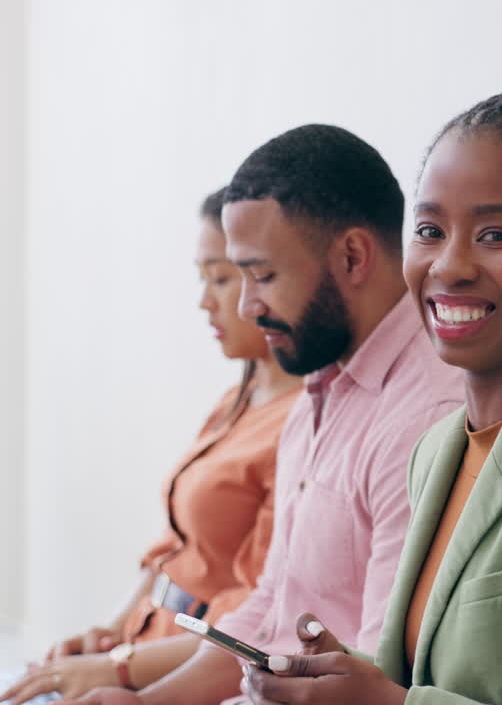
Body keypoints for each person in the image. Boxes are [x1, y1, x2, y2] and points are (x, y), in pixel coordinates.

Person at [240, 89, 502, 705]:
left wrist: (387, 704)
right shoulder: (437, 450)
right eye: (430, 230)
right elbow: (431, 677)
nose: (450, 265)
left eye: (495, 234)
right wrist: (341, 675)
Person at [66, 124, 464, 705]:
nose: (248, 305)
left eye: (263, 275)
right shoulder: (318, 394)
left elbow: (380, 675)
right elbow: (268, 611)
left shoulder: (427, 417)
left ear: (352, 257)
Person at [1, 188, 301, 704]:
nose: (205, 301)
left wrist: (117, 669)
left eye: (221, 278)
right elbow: (173, 549)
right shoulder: (238, 398)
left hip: (185, 677)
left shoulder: (302, 423)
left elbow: (259, 612)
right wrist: (109, 633)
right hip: (143, 647)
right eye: (202, 278)